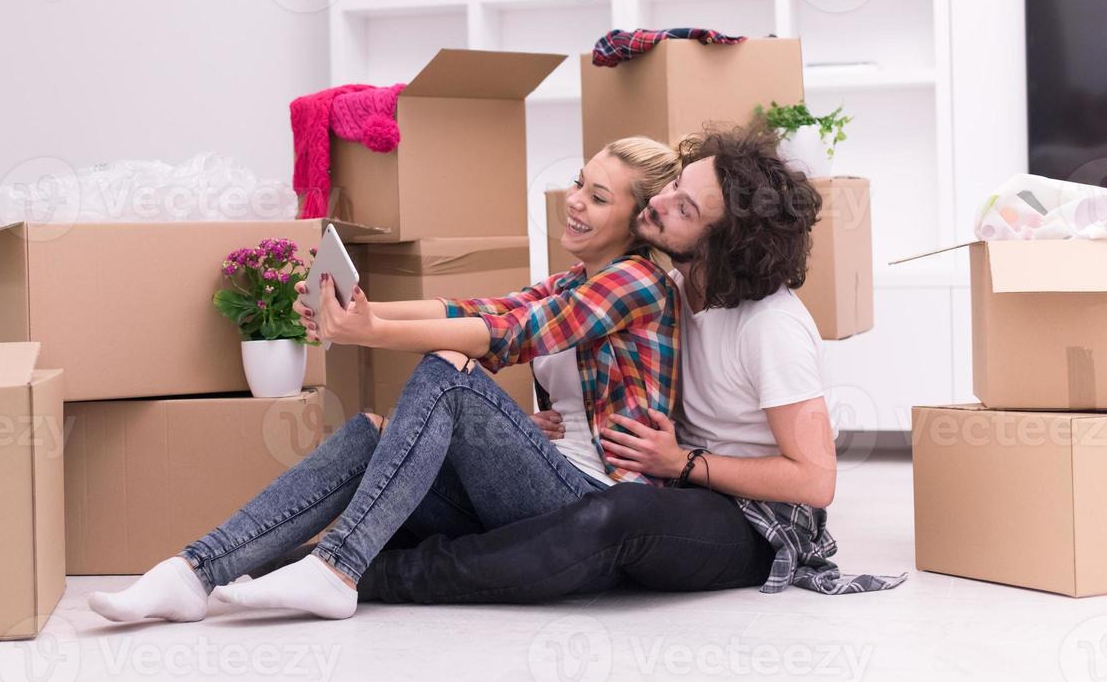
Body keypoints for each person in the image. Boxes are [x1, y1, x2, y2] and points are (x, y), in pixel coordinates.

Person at [88, 136, 683, 624]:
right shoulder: (573, 279)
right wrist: (356, 314)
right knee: (374, 432)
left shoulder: (637, 282)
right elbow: (471, 310)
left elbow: (512, 334)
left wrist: (364, 330)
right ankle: (194, 572)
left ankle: (336, 569)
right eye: (580, 182)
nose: (575, 200)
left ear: (637, 222)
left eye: (599, 197)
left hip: (594, 505)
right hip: (543, 480)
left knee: (449, 371)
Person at [355, 124, 905, 603]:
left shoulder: (772, 327)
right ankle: (337, 558)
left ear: (721, 245)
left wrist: (684, 462)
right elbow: (513, 316)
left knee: (620, 515)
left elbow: (815, 481)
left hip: (754, 519)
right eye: (674, 186)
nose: (659, 203)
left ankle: (385, 576)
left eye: (684, 208)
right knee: (588, 508)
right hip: (684, 486)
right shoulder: (668, 286)